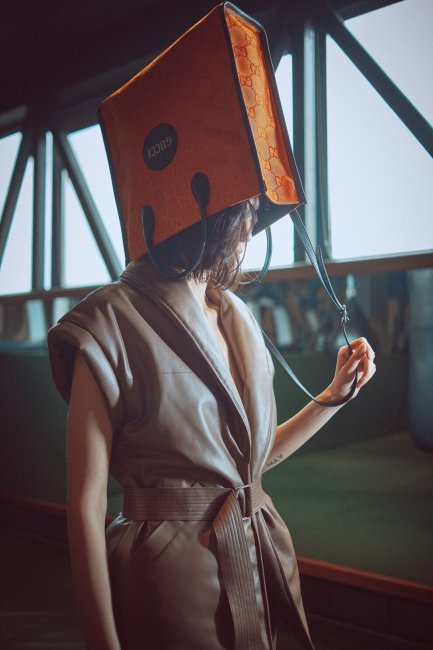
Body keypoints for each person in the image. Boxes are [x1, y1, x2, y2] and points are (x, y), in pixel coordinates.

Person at [47, 6, 376, 649]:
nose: (250, 230)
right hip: (165, 580)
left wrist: (332, 396)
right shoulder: (106, 323)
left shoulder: (235, 315)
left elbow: (251, 463)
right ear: (214, 217)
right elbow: (84, 505)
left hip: (255, 551)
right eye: (244, 213)